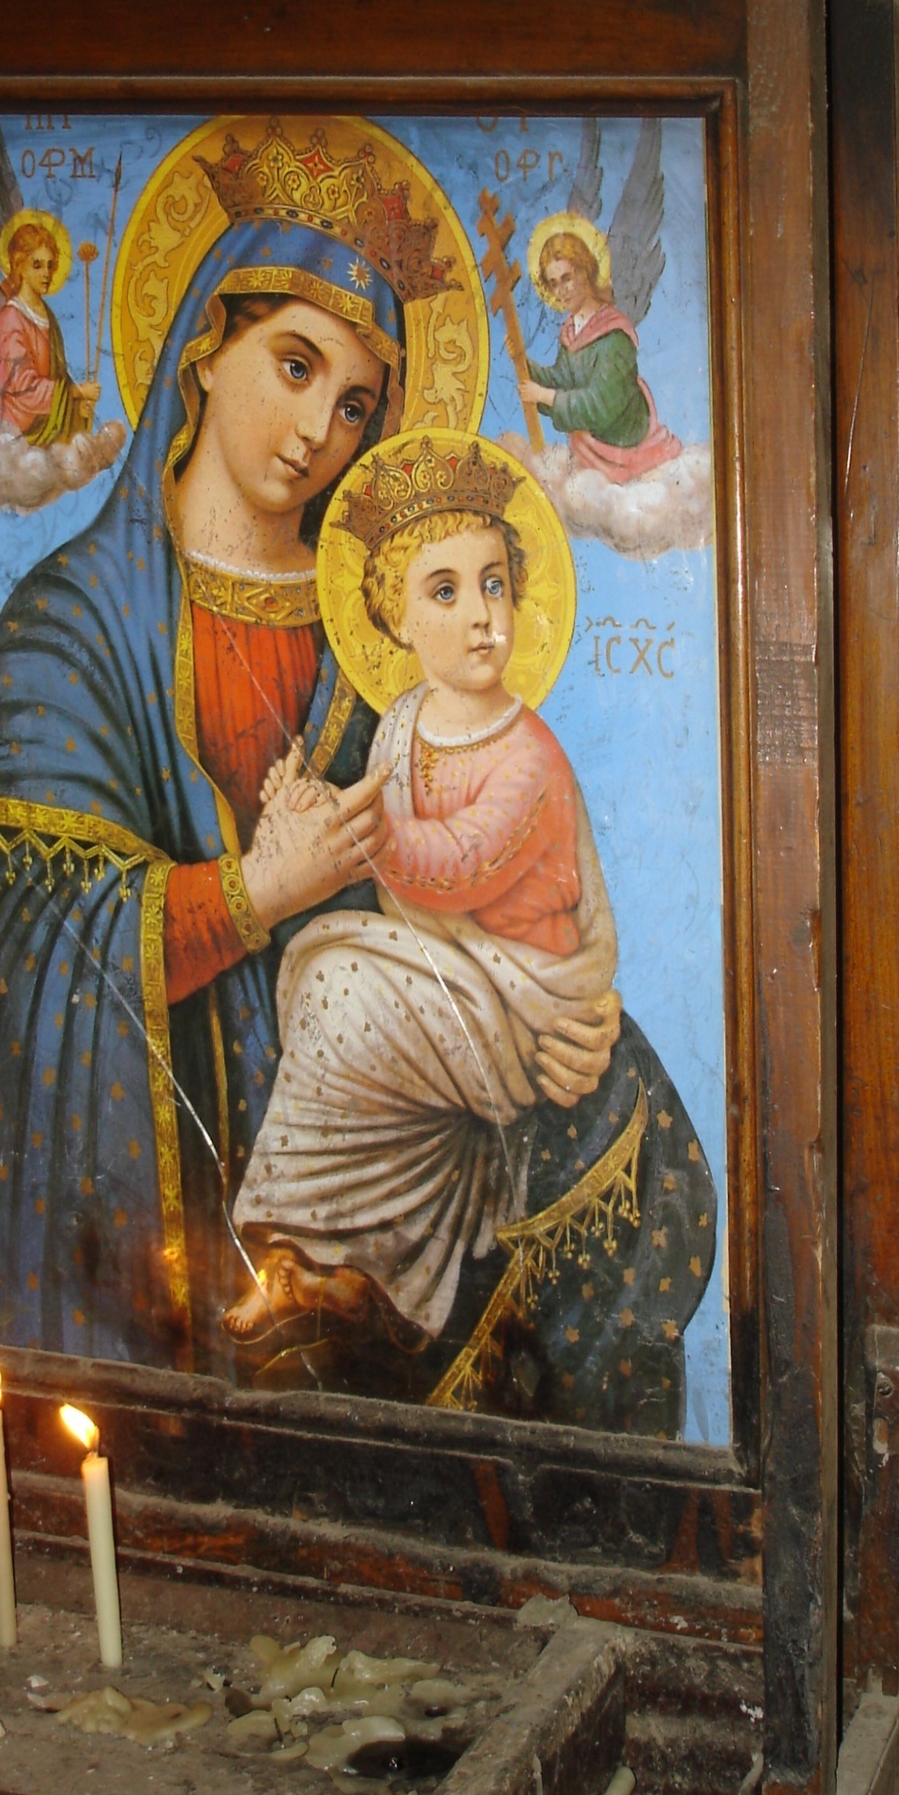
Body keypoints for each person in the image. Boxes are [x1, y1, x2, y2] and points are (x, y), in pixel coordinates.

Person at [0, 122, 623, 1374]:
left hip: (386, 1123)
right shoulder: (64, 630)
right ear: (205, 347)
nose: (319, 427)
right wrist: (255, 892)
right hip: (160, 1183)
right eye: (296, 364)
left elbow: (483, 863)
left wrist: (565, 1010)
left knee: (632, 1119)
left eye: (356, 402)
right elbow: (31, 953)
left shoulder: (387, 633)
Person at [226, 435, 620, 1350]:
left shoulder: (528, 756)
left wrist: (352, 829)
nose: (482, 616)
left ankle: (303, 1245)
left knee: (337, 990)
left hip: (520, 1004)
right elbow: (389, 844)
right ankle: (326, 1261)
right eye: (445, 591)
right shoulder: (402, 721)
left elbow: (458, 862)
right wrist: (306, 809)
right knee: (332, 996)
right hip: (449, 980)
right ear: (396, 620)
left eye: (494, 585)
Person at [517, 222, 682, 485]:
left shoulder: (614, 337)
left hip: (629, 451)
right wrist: (522, 364)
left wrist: (545, 396)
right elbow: (563, 381)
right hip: (592, 455)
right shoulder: (572, 333)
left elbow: (600, 406)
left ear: (586, 271)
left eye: (567, 278)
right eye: (554, 284)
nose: (561, 291)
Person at [0, 215, 100, 446]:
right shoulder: (11, 318)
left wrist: (76, 408)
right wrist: (76, 392)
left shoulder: (47, 315)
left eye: (51, 265)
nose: (47, 273)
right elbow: (22, 388)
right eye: (37, 265)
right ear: (19, 266)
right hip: (18, 434)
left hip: (49, 428)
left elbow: (58, 376)